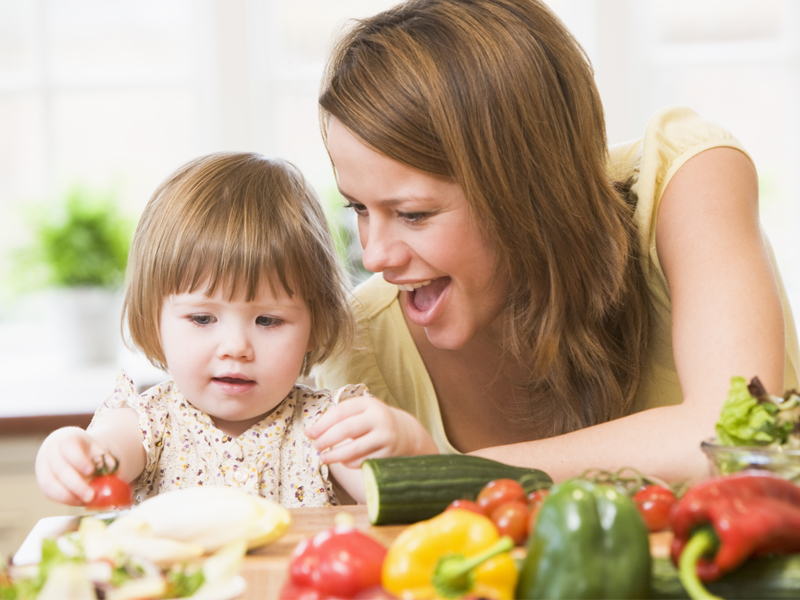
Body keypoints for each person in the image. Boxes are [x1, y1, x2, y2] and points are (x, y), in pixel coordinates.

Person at [312, 0, 800, 484]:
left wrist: (448, 475)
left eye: (413, 214)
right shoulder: (361, 345)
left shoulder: (688, 181)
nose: (375, 256)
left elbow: (732, 441)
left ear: (527, 190)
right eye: (357, 207)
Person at [35, 153, 437, 508]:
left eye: (268, 320)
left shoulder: (325, 428)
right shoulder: (149, 425)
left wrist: (409, 443)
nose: (236, 347)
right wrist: (68, 453)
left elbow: (405, 498)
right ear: (154, 321)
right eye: (202, 319)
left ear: (315, 326)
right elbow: (102, 454)